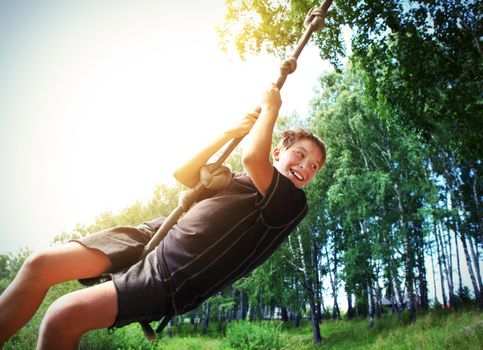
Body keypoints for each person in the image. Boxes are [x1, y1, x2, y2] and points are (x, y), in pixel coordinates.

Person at [0, 85, 326, 349]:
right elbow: (184, 174)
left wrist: (271, 108)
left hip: (173, 277)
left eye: (314, 166)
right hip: (154, 232)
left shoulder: (291, 202)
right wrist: (229, 133)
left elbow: (254, 157)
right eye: (301, 154)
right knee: (39, 265)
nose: (306, 167)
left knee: (61, 317)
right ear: (279, 153)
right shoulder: (235, 179)